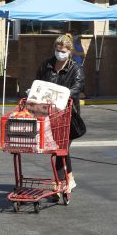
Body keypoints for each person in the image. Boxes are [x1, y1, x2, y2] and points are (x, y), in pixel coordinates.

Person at [36, 34, 84, 194]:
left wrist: (62, 95)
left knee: (61, 148)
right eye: (57, 50)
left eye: (63, 51)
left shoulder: (75, 69)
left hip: (68, 114)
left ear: (70, 51)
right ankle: (66, 180)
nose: (59, 54)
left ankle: (63, 181)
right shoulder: (47, 65)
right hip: (48, 113)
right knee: (58, 149)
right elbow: (38, 82)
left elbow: (78, 87)